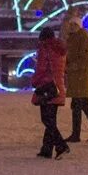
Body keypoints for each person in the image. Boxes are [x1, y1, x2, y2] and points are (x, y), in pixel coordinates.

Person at [63, 8, 88, 142]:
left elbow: (84, 57)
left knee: (77, 106)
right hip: (76, 77)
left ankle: (77, 134)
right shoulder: (72, 37)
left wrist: (72, 67)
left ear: (79, 26)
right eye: (71, 24)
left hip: (80, 76)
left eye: (75, 24)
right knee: (83, 106)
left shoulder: (83, 37)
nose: (72, 26)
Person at [31, 27, 69, 158]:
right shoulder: (60, 49)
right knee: (51, 119)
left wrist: (34, 81)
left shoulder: (45, 48)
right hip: (57, 87)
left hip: (47, 87)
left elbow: (41, 68)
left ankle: (61, 145)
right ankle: (46, 149)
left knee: (46, 119)